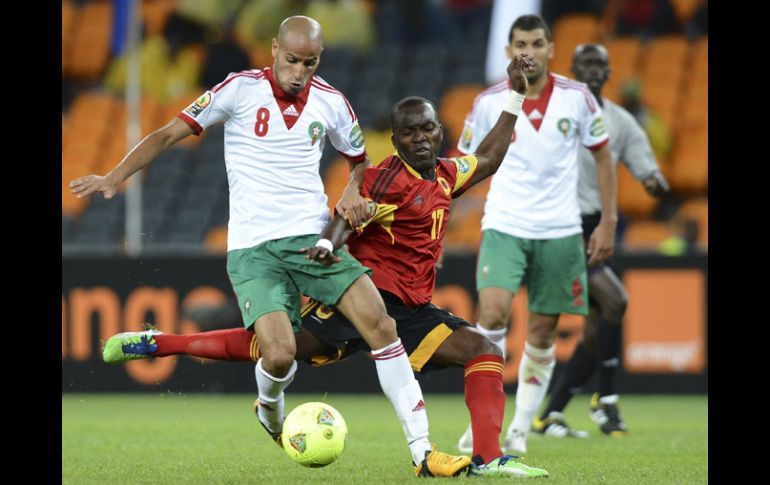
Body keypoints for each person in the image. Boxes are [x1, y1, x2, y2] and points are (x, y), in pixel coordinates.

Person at [101, 55, 550, 478]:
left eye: (427, 129)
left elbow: (490, 156)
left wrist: (514, 95)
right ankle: (164, 344)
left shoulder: (446, 176)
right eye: (409, 132)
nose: (420, 138)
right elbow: (344, 216)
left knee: (483, 351)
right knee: (277, 350)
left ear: (439, 132)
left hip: (412, 309)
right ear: (394, 141)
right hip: (361, 298)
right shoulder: (385, 182)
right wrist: (325, 243)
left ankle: (488, 459)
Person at [455, 14, 617, 456]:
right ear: (509, 51)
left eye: (537, 43)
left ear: (550, 49)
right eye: (521, 43)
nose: (529, 51)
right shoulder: (489, 101)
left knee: (543, 333)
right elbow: (463, 165)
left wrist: (607, 221)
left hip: (561, 231)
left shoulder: (577, 97)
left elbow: (603, 158)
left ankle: (520, 427)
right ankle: (481, 426)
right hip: (504, 224)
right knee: (491, 317)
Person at [532, 43, 670, 439]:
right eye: (586, 63)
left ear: (609, 73)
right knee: (617, 300)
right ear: (572, 70)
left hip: (594, 223)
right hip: (558, 224)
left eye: (600, 65)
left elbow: (647, 168)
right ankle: (605, 400)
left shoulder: (620, 121)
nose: (594, 70)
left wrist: (653, 182)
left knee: (595, 329)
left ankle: (549, 415)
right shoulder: (552, 113)